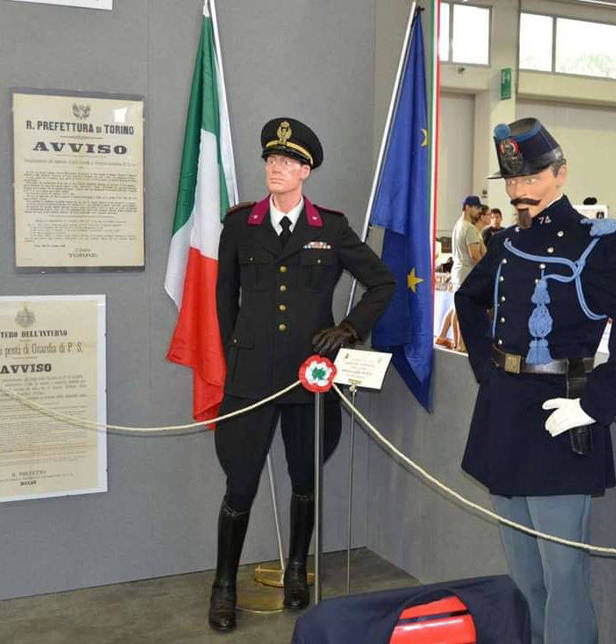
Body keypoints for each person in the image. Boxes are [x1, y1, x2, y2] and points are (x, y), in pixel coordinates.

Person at [455, 117, 616, 644]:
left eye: (531, 179)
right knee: (525, 574)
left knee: (564, 576)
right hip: (505, 416)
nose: (520, 192)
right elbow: (468, 299)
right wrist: (490, 371)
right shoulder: (505, 241)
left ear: (560, 174)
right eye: (512, 182)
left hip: (560, 419)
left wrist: (596, 404)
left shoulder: (599, 245)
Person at [210, 117, 395, 631]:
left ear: (306, 171)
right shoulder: (239, 226)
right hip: (250, 379)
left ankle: (297, 569)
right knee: (239, 484)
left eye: (288, 162)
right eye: (271, 160)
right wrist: (235, 352)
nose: (277, 168)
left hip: (308, 378)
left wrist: (349, 329)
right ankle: (224, 585)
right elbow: (225, 297)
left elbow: (381, 283)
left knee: (305, 481)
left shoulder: (329, 228)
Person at [435, 196, 484, 351]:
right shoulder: (469, 228)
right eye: (476, 208)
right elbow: (474, 255)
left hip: (457, 271)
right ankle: (461, 345)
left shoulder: (458, 225)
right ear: (468, 207)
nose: (479, 211)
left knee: (456, 308)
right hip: (467, 272)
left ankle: (448, 339)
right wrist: (485, 270)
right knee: (463, 311)